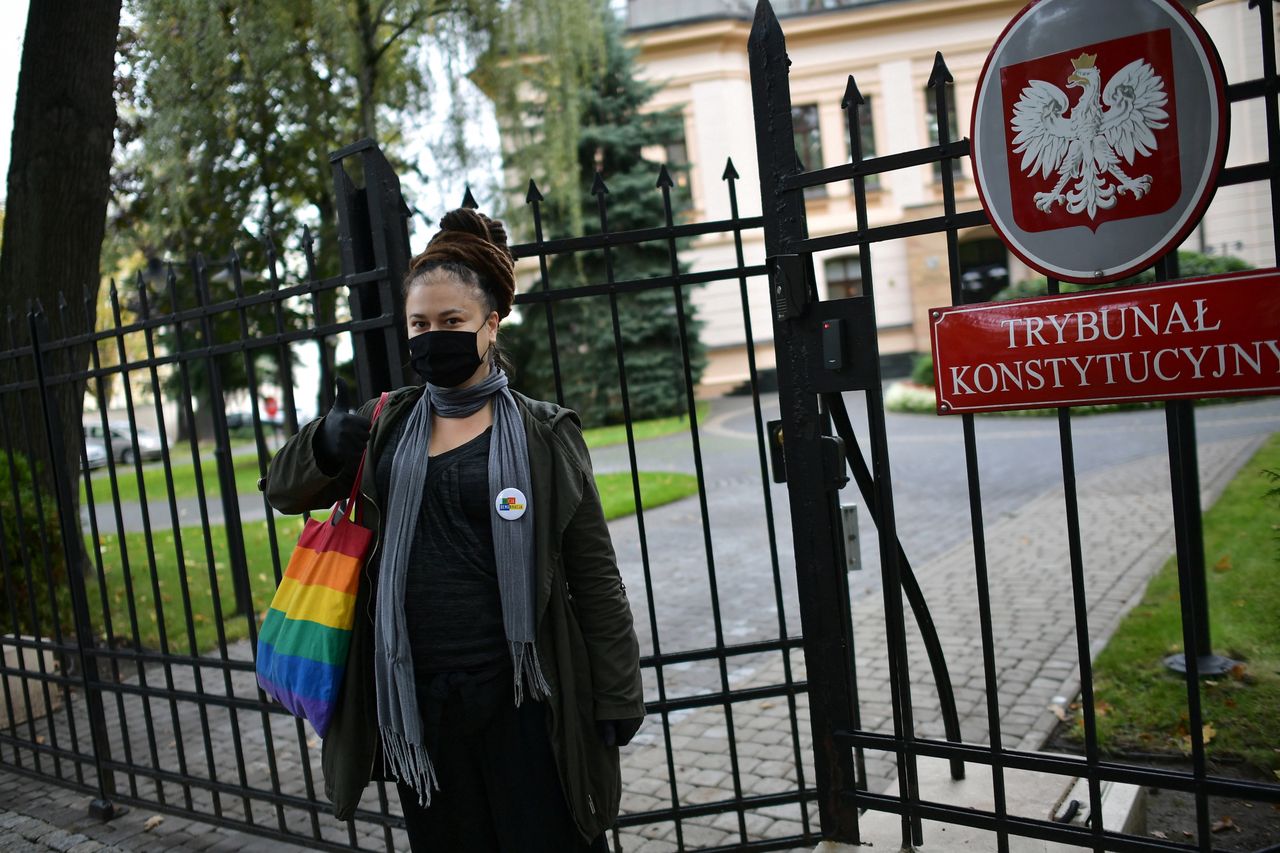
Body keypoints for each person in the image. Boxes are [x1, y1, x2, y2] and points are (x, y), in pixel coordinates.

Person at [263, 208, 645, 852]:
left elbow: (594, 574)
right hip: (420, 701)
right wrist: (325, 445)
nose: (432, 336)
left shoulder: (543, 433)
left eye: (451, 322)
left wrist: (616, 694)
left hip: (526, 696)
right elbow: (282, 489)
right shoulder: (384, 422)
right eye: (419, 323)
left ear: (490, 325)